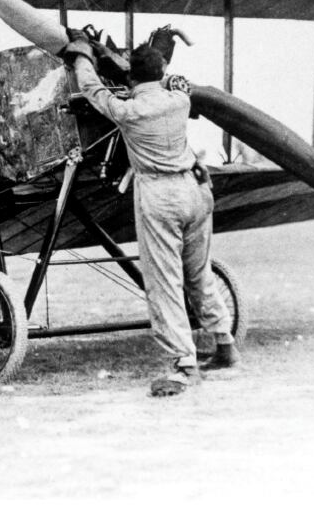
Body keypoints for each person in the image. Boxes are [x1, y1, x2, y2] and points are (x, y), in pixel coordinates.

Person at [68, 41, 239, 397]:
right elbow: (176, 82)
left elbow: (90, 88)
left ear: (131, 76)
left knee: (163, 281)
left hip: (159, 195)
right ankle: (224, 344)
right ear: (160, 72)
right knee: (198, 272)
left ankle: (182, 365)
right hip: (194, 189)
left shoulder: (129, 110)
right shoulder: (180, 99)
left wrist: (82, 54)